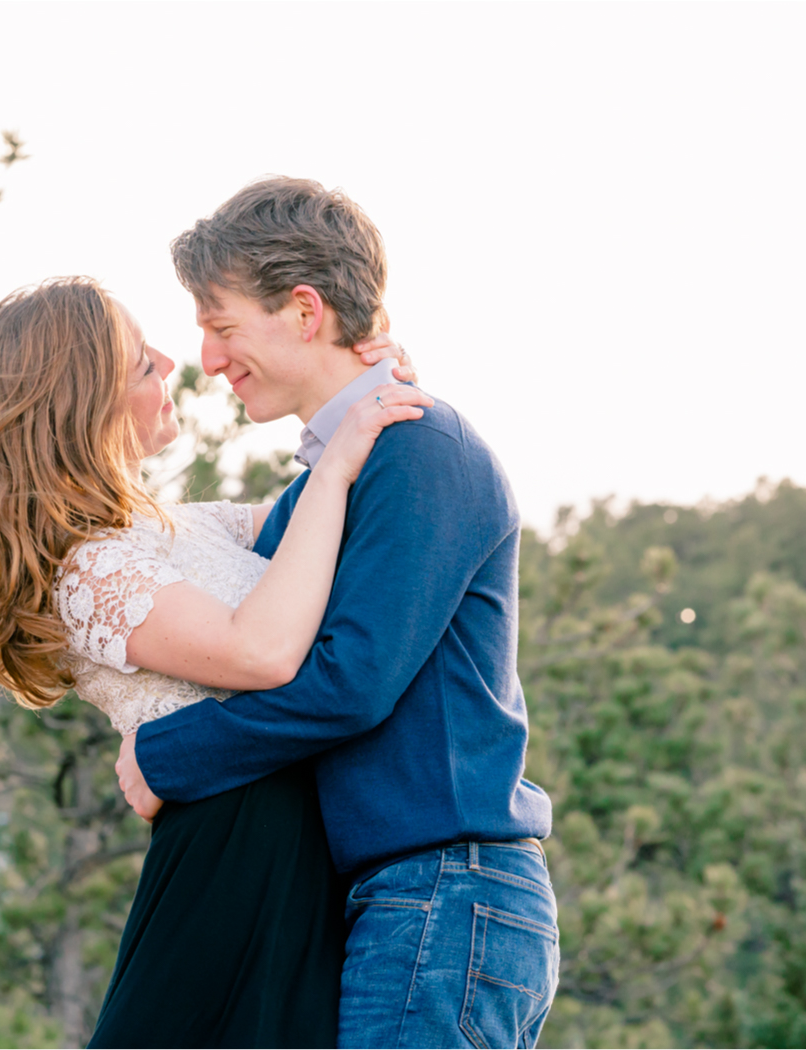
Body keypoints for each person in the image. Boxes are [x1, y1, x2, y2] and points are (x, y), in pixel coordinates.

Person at [0, 276, 428, 1048]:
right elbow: (260, 652)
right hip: (232, 860)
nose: (169, 362)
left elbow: (346, 517)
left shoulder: (184, 529)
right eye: (139, 361)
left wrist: (373, 393)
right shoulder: (86, 571)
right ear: (84, 404)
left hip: (298, 853)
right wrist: (334, 467)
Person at [114, 177, 560, 1049]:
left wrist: (167, 754)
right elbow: (215, 563)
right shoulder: (338, 477)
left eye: (222, 325)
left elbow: (353, 682)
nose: (208, 359)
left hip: (446, 892)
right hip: (402, 896)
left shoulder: (420, 450)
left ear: (304, 310)